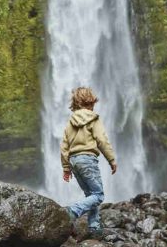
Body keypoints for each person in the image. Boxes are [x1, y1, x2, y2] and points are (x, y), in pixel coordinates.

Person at [60, 86, 117, 240]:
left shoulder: (70, 122)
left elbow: (64, 146)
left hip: (73, 161)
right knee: (98, 195)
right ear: (91, 102)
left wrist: (66, 168)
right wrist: (111, 160)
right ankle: (72, 211)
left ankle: (94, 226)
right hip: (87, 159)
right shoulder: (94, 118)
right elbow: (102, 140)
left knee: (90, 195)